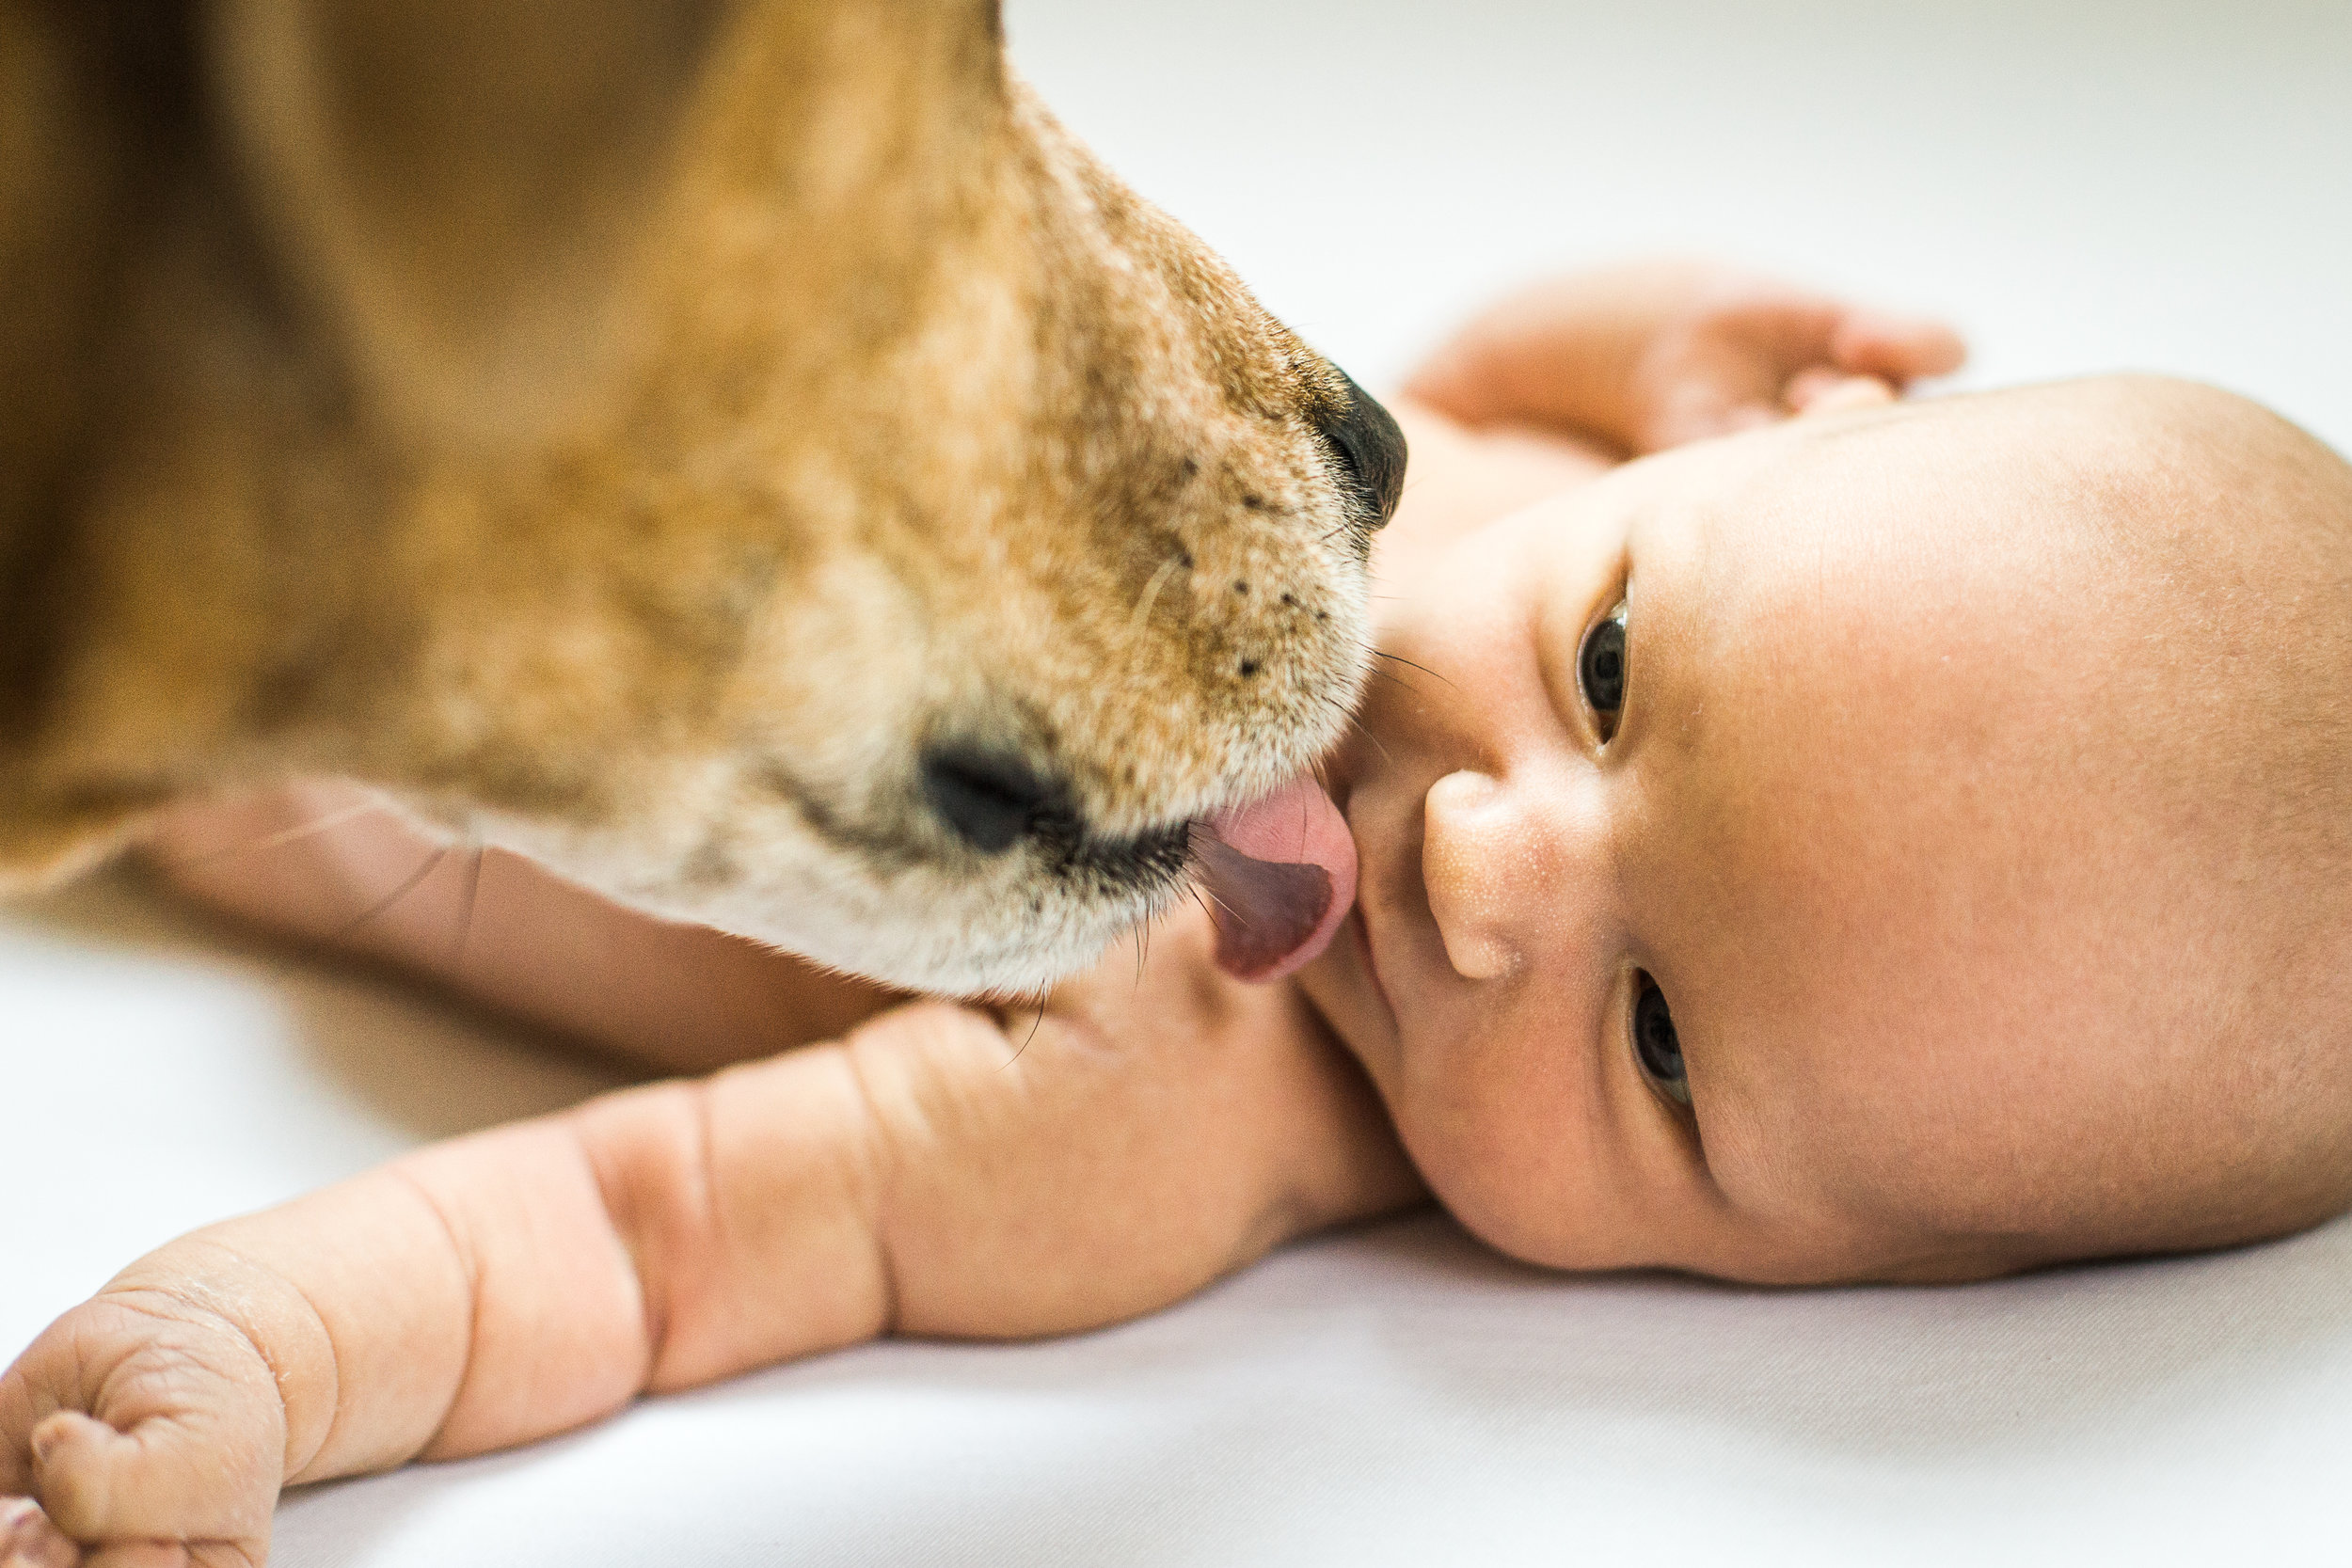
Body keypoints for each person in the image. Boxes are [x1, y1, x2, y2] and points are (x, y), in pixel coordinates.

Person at [8, 262, 2352, 1568]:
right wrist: (1621, 340)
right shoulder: (1498, 514)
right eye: (1615, 671)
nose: (1479, 862)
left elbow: (638, 1241)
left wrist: (251, 1353)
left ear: (1812, 1278)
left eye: (1655, 1041)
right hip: (415, 353)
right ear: (1736, 455)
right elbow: (1459, 378)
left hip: (193, 730)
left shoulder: (1148, 1111)